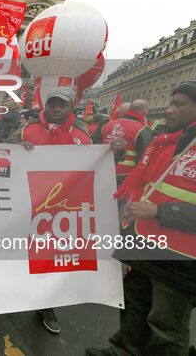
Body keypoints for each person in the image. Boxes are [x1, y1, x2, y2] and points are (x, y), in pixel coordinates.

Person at [86, 80, 196, 356]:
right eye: (170, 103)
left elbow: (157, 203)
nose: (169, 110)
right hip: (144, 243)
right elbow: (145, 184)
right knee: (134, 309)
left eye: (178, 105)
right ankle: (121, 351)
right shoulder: (166, 141)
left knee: (165, 328)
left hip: (180, 259)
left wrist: (160, 212)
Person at [7, 87, 92, 334]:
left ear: (70, 107)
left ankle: (47, 306)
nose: (56, 109)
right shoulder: (26, 130)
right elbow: (1, 157)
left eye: (61, 105)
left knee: (53, 262)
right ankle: (11, 295)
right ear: (45, 106)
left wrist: (114, 155)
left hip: (60, 213)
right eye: (52, 104)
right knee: (19, 255)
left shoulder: (82, 137)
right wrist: (15, 150)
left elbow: (94, 170)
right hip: (26, 205)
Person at [94, 99, 153, 183]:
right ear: (144, 113)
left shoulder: (107, 124)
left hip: (102, 172)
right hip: (124, 177)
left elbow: (94, 145)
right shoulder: (142, 129)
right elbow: (145, 158)